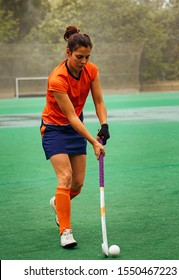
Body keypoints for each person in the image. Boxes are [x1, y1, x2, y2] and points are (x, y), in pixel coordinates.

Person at [40, 25, 110, 249]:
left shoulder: (91, 70)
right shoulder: (57, 79)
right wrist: (93, 141)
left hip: (74, 128)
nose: (84, 61)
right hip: (54, 129)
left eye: (88, 57)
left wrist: (104, 125)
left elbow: (98, 101)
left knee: (77, 185)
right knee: (66, 177)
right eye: (80, 56)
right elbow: (70, 116)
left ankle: (58, 202)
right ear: (68, 53)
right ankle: (66, 231)